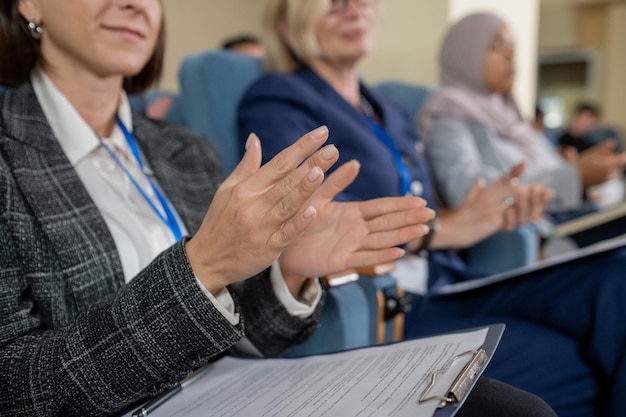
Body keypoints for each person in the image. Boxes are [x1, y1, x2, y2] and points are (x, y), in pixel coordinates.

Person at [0, 0, 435, 415]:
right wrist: (200, 268)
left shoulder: (187, 151)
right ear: (29, 5)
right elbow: (15, 388)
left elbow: (240, 334)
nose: (137, 4)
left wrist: (290, 271)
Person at [237, 1, 626, 416]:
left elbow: (437, 197)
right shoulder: (279, 96)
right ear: (285, 25)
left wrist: (491, 206)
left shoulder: (388, 108)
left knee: (616, 278)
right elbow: (309, 222)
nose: (352, 8)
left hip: (449, 280)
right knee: (576, 362)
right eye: (330, 2)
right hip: (389, 304)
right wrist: (446, 230)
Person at [419, 13, 626, 215]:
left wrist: (580, 168)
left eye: (512, 47)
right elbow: (466, 192)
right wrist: (575, 176)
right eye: (497, 47)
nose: (510, 55)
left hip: (558, 218)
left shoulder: (509, 115)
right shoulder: (447, 113)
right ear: (466, 54)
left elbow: (547, 168)